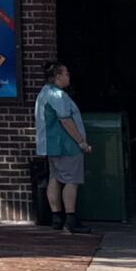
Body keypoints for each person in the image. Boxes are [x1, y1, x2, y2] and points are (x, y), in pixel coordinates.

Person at [34, 60, 90, 232]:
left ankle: (57, 217)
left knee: (55, 179)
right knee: (71, 181)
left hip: (51, 145)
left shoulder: (44, 92)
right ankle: (71, 220)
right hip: (65, 145)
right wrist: (81, 141)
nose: (68, 76)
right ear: (58, 76)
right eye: (66, 73)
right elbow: (65, 120)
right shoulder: (58, 95)